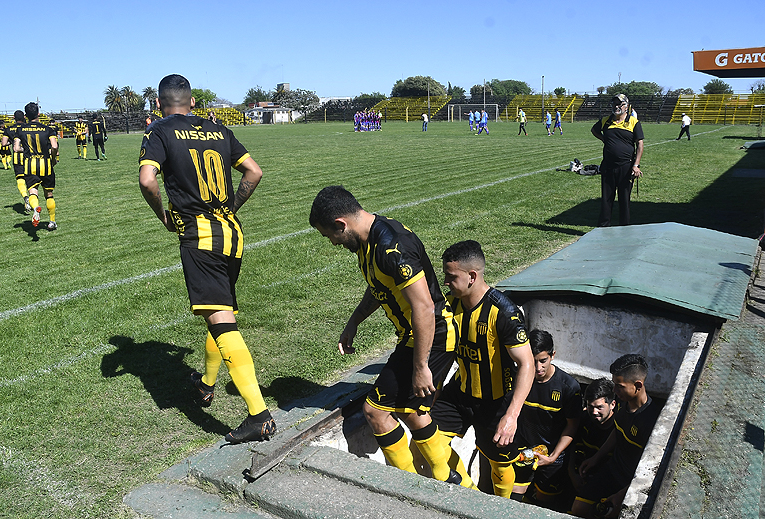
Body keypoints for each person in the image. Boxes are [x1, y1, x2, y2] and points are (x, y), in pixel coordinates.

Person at [139, 74, 275, 444]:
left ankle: (259, 415)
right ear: (193, 101)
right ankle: (206, 384)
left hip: (200, 237)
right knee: (220, 313)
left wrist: (164, 216)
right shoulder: (218, 129)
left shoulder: (159, 131)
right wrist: (231, 205)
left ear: (158, 103)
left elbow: (148, 180)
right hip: (233, 233)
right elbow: (254, 171)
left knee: (221, 320)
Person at [309, 185, 462, 485]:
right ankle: (451, 480)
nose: (333, 244)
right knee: (411, 411)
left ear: (342, 224)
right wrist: (354, 321)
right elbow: (379, 286)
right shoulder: (370, 241)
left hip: (432, 334)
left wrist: (421, 368)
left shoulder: (392, 246)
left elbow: (424, 308)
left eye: (331, 236)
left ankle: (409, 487)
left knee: (375, 412)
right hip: (417, 334)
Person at [423, 240, 535, 495]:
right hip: (459, 393)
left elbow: (526, 363)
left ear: (472, 276)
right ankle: (467, 489)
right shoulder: (451, 305)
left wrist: (512, 416)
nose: (446, 283)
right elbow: (446, 351)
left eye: (451, 277)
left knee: (500, 465)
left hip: (495, 404)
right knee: (429, 441)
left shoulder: (504, 312)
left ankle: (500, 508)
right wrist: (436, 390)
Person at [571, 354, 660, 518]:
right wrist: (596, 458)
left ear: (638, 385)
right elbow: (617, 431)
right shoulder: (621, 404)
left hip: (631, 483)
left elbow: (652, 472)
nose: (614, 391)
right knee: (578, 509)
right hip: (612, 470)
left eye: (619, 386)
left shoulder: (651, 422)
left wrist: (621, 496)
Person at [511, 329, 581, 505]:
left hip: (552, 457)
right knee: (512, 499)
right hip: (523, 452)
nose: (538, 368)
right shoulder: (517, 378)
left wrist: (552, 457)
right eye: (533, 362)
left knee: (544, 505)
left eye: (543, 361)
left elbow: (572, 426)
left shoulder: (569, 387)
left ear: (553, 355)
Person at [591, 94, 644, 227]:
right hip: (608, 166)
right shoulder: (606, 121)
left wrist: (636, 165)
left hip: (626, 167)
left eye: (620, 104)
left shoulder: (633, 122)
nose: (616, 106)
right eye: (614, 104)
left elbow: (640, 145)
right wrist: (605, 139)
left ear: (626, 106)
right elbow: (594, 130)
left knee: (624, 200)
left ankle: (624, 228)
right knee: (606, 199)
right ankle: (603, 227)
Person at [13, 102, 59, 230]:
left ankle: (35, 208)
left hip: (30, 165)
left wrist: (27, 151)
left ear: (26, 116)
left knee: (33, 192)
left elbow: (16, 148)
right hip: (46, 164)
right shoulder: (48, 129)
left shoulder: (20, 130)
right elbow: (54, 146)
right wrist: (53, 158)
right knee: (49, 194)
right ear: (38, 113)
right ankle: (52, 222)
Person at [567, 378, 617, 494]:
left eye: (599, 407)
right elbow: (572, 447)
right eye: (591, 406)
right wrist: (572, 474)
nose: (594, 412)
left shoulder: (619, 426)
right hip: (581, 474)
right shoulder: (584, 419)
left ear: (612, 404)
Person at [2, 111, 30, 211]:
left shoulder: (8, 129)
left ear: (14, 117)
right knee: (30, 179)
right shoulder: (28, 127)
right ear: (24, 117)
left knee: (20, 178)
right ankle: (32, 198)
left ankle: (25, 196)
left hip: (17, 157)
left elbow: (4, 143)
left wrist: (11, 141)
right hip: (28, 156)